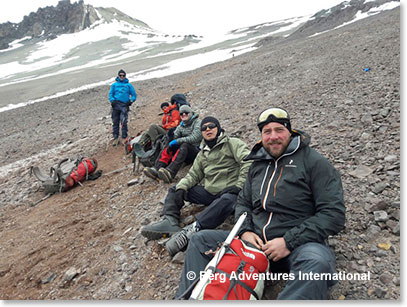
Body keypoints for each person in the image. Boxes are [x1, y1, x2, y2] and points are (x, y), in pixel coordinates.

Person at [175, 107, 346, 300]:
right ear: (262, 136)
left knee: (316, 262)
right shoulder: (258, 164)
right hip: (253, 244)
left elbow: (334, 214)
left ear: (290, 131)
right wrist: (245, 231)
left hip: (296, 245)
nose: (273, 136)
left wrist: (288, 241)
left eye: (279, 130)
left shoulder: (314, 162)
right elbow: (243, 202)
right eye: (267, 132)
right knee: (199, 240)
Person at [140, 116, 252, 256]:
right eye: (204, 128)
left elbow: (248, 161)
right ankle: (170, 220)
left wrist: (239, 186)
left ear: (218, 128)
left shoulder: (232, 143)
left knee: (227, 200)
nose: (208, 129)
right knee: (177, 189)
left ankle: (193, 230)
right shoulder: (202, 153)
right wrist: (182, 187)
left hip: (231, 192)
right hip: (210, 193)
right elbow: (193, 175)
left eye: (211, 126)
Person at [143, 105, 202, 183]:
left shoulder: (197, 122)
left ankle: (170, 172)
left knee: (184, 145)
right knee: (169, 144)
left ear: (190, 113)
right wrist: (172, 137)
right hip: (184, 151)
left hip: (196, 151)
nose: (184, 115)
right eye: (181, 114)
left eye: (186, 113)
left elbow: (195, 138)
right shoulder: (182, 125)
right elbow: (176, 136)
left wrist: (177, 141)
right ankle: (157, 168)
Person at [108, 69, 137, 145]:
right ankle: (116, 137)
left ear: (125, 76)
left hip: (124, 105)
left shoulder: (128, 85)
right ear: (118, 76)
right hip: (115, 105)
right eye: (120, 75)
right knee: (115, 121)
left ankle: (124, 137)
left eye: (123, 75)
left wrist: (130, 101)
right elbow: (110, 94)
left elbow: (134, 95)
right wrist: (112, 101)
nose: (122, 77)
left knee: (123, 122)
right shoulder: (114, 85)